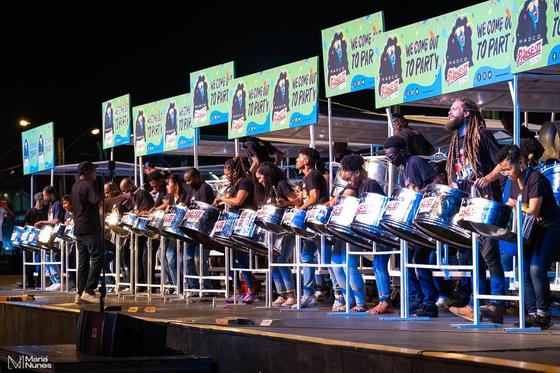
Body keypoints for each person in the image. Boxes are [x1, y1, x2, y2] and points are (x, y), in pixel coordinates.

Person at [445, 97, 507, 323]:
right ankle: (475, 304)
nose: (449, 112)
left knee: (490, 256)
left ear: (468, 112)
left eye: (454, 108)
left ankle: (498, 304)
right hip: (468, 206)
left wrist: (487, 178)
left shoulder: (482, 135)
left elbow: (504, 161)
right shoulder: (455, 140)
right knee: (471, 257)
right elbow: (456, 173)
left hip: (486, 204)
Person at [498, 145, 560, 329]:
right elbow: (510, 203)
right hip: (531, 229)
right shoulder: (513, 181)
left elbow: (533, 210)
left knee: (535, 269)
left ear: (520, 163)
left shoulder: (535, 178)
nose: (506, 173)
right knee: (523, 271)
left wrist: (514, 207)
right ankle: (531, 314)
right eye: (503, 170)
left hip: (549, 228)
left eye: (508, 169)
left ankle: (543, 314)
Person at [383, 136, 441, 317]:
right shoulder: (402, 168)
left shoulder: (415, 161)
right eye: (388, 158)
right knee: (405, 260)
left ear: (402, 151)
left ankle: (429, 303)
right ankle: (417, 299)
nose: (390, 161)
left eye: (392, 156)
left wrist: (417, 194)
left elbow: (438, 181)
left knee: (420, 260)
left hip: (425, 219)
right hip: (412, 221)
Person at [214, 157, 258, 304]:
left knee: (242, 259)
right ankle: (237, 290)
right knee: (230, 259)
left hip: (243, 222)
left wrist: (223, 199)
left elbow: (238, 201)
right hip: (231, 222)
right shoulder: (232, 185)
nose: (226, 176)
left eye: (228, 173)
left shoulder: (244, 182)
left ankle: (251, 291)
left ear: (235, 171)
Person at [255, 162, 300, 307]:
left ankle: (292, 295)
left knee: (281, 260)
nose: (259, 181)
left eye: (260, 177)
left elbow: (298, 202)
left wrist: (285, 203)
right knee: (273, 261)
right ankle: (282, 294)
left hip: (285, 229)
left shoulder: (281, 185)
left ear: (267, 176)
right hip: (274, 230)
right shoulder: (267, 190)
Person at [293, 147, 330, 308]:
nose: (296, 160)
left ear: (306, 161)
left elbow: (314, 198)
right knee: (306, 256)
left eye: (299, 158)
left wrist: (300, 210)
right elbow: (303, 199)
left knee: (325, 259)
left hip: (318, 220)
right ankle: (308, 294)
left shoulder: (313, 175)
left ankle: (338, 294)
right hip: (311, 221)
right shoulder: (306, 178)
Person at [71, 161, 102, 304]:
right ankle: (89, 291)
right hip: (89, 227)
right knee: (97, 257)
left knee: (83, 261)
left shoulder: (75, 186)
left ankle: (79, 293)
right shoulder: (89, 185)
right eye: (94, 171)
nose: (96, 173)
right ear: (88, 172)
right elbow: (101, 203)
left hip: (79, 227)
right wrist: (122, 198)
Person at [183, 167, 215, 295]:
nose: (187, 183)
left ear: (196, 177)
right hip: (192, 229)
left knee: (199, 259)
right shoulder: (191, 189)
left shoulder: (205, 188)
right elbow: (185, 205)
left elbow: (205, 209)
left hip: (204, 231)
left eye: (189, 180)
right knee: (187, 259)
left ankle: (207, 288)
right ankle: (194, 288)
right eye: (185, 181)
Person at [34, 186, 66, 291]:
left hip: (57, 234)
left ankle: (59, 281)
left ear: (51, 194)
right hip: (50, 234)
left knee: (51, 257)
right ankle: (55, 281)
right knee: (47, 257)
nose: (43, 197)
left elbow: (56, 221)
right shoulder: (51, 205)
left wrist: (42, 222)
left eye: (45, 195)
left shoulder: (57, 204)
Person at [21, 193, 47, 288]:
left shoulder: (45, 211)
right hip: (31, 238)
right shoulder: (30, 211)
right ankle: (30, 282)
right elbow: (25, 224)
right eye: (42, 200)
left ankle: (40, 282)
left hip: (42, 238)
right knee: (29, 260)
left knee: (42, 260)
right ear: (39, 200)